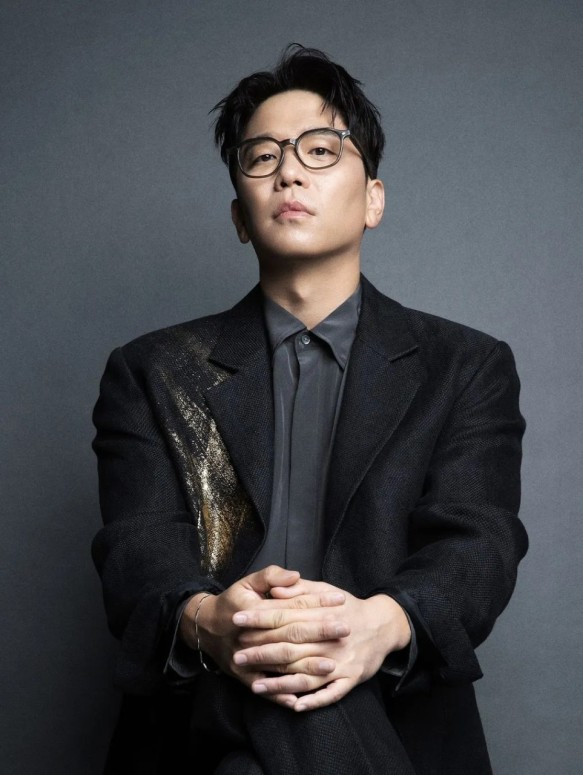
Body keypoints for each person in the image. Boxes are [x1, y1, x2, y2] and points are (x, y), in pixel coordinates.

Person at [92, 45, 527, 774]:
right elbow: (138, 552)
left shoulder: (465, 365)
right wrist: (211, 622)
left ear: (374, 199)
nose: (288, 172)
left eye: (320, 150)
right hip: (206, 698)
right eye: (262, 157)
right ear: (241, 216)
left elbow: (479, 543)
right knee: (270, 670)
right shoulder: (152, 371)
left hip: (390, 707)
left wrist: (376, 625)